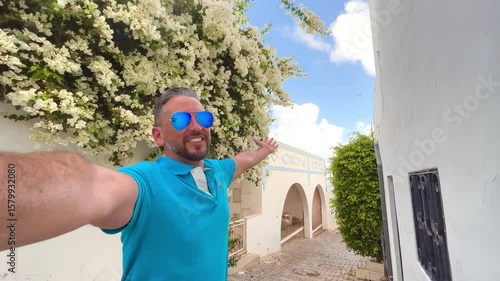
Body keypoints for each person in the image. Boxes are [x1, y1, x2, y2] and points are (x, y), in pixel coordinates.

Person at [0, 87, 278, 281]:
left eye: (203, 118)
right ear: (158, 136)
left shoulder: (217, 171)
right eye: (181, 119)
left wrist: (263, 151)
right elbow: (88, 186)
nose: (196, 126)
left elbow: (243, 160)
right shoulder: (146, 182)